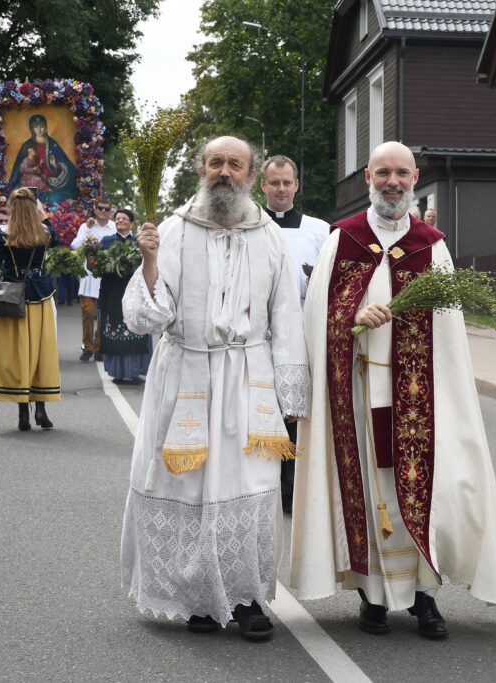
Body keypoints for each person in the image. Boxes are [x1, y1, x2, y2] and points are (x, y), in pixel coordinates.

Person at [291, 141, 496, 639]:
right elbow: (316, 319)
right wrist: (351, 317)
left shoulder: (430, 244)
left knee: (424, 490)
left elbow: (450, 335)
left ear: (415, 177)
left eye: (401, 173)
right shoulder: (343, 239)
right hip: (359, 389)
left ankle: (424, 598)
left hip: (421, 397)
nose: (392, 182)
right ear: (368, 178)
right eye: (382, 173)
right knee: (371, 492)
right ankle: (372, 596)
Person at [119, 135, 308, 641]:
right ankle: (197, 598)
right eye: (216, 162)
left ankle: (246, 599)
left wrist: (291, 396)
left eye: (236, 164)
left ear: (250, 175)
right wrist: (150, 261)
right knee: (189, 484)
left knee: (249, 486)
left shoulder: (267, 235)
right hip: (186, 375)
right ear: (202, 168)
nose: (225, 171)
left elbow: (286, 314)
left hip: (249, 377)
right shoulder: (176, 231)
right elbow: (147, 318)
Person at [260, 154, 329, 514]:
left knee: (298, 413)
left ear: (297, 185)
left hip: (303, 335)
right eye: (275, 183)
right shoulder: (250, 225)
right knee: (263, 409)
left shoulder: (319, 230)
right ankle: (263, 485)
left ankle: (294, 490)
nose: (282, 189)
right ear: (264, 186)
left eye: (287, 182)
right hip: (261, 336)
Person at [0, 188, 61, 431]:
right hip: (40, 297)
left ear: (13, 208)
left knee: (18, 354)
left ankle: (22, 414)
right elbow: (56, 238)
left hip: (11, 297)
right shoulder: (45, 232)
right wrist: (43, 214)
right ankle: (40, 409)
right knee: (40, 352)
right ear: (33, 207)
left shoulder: (3, 234)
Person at [96, 208, 151, 384]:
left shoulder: (138, 242)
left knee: (135, 329)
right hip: (112, 292)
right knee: (114, 330)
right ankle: (117, 372)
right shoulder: (106, 241)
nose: (120, 221)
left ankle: (134, 370)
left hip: (134, 292)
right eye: (117, 218)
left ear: (131, 222)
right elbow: (96, 267)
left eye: (124, 218)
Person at [71, 199, 116, 361]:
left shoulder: (114, 227)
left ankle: (99, 347)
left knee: (104, 315)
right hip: (89, 278)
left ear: (110, 211)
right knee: (88, 313)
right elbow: (74, 246)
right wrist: (87, 229)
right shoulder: (86, 227)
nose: (103, 211)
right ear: (95, 210)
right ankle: (88, 347)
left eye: (107, 209)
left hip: (107, 277)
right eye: (100, 208)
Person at [8, 114, 77, 204]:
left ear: (45, 127)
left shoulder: (52, 144)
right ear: (32, 129)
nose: (39, 130)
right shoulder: (27, 146)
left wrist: (56, 165)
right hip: (32, 182)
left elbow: (67, 164)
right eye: (36, 127)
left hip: (52, 183)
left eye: (41, 126)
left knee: (56, 200)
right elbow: (18, 169)